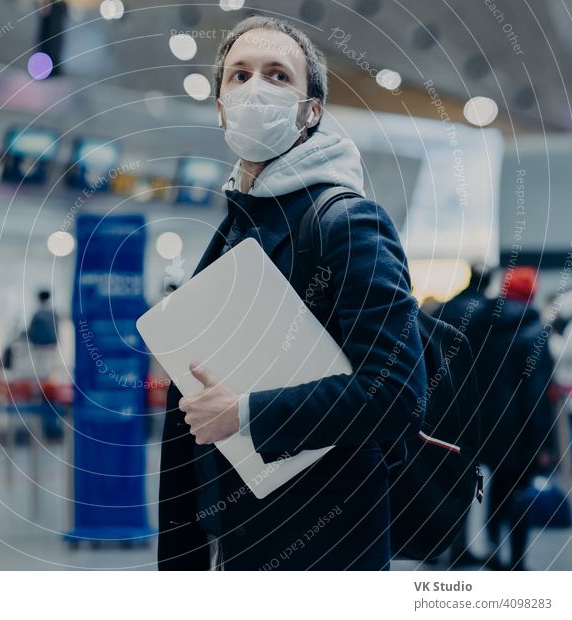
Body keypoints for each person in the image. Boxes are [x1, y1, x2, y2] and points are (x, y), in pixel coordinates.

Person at [158, 16, 427, 570]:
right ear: (220, 106)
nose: (255, 88)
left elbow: (397, 393)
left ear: (312, 111)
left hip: (323, 548)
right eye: (239, 75)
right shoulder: (234, 226)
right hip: (236, 544)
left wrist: (249, 414)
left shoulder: (346, 223)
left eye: (278, 75)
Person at [475, 266, 556, 570]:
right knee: (519, 490)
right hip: (521, 429)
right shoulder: (533, 330)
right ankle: (518, 560)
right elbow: (536, 391)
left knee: (497, 483)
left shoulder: (480, 324)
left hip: (486, 425)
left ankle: (492, 548)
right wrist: (542, 441)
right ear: (531, 294)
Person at [431, 264, 493, 567]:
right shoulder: (493, 315)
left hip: (444, 401)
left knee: (440, 474)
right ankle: (460, 546)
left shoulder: (445, 308)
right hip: (481, 402)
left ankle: (433, 545)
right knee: (469, 475)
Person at [27, 289, 59, 380]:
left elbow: (32, 330)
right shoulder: (54, 312)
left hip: (39, 345)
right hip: (51, 344)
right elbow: (56, 329)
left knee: (39, 368)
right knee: (49, 367)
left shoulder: (37, 314)